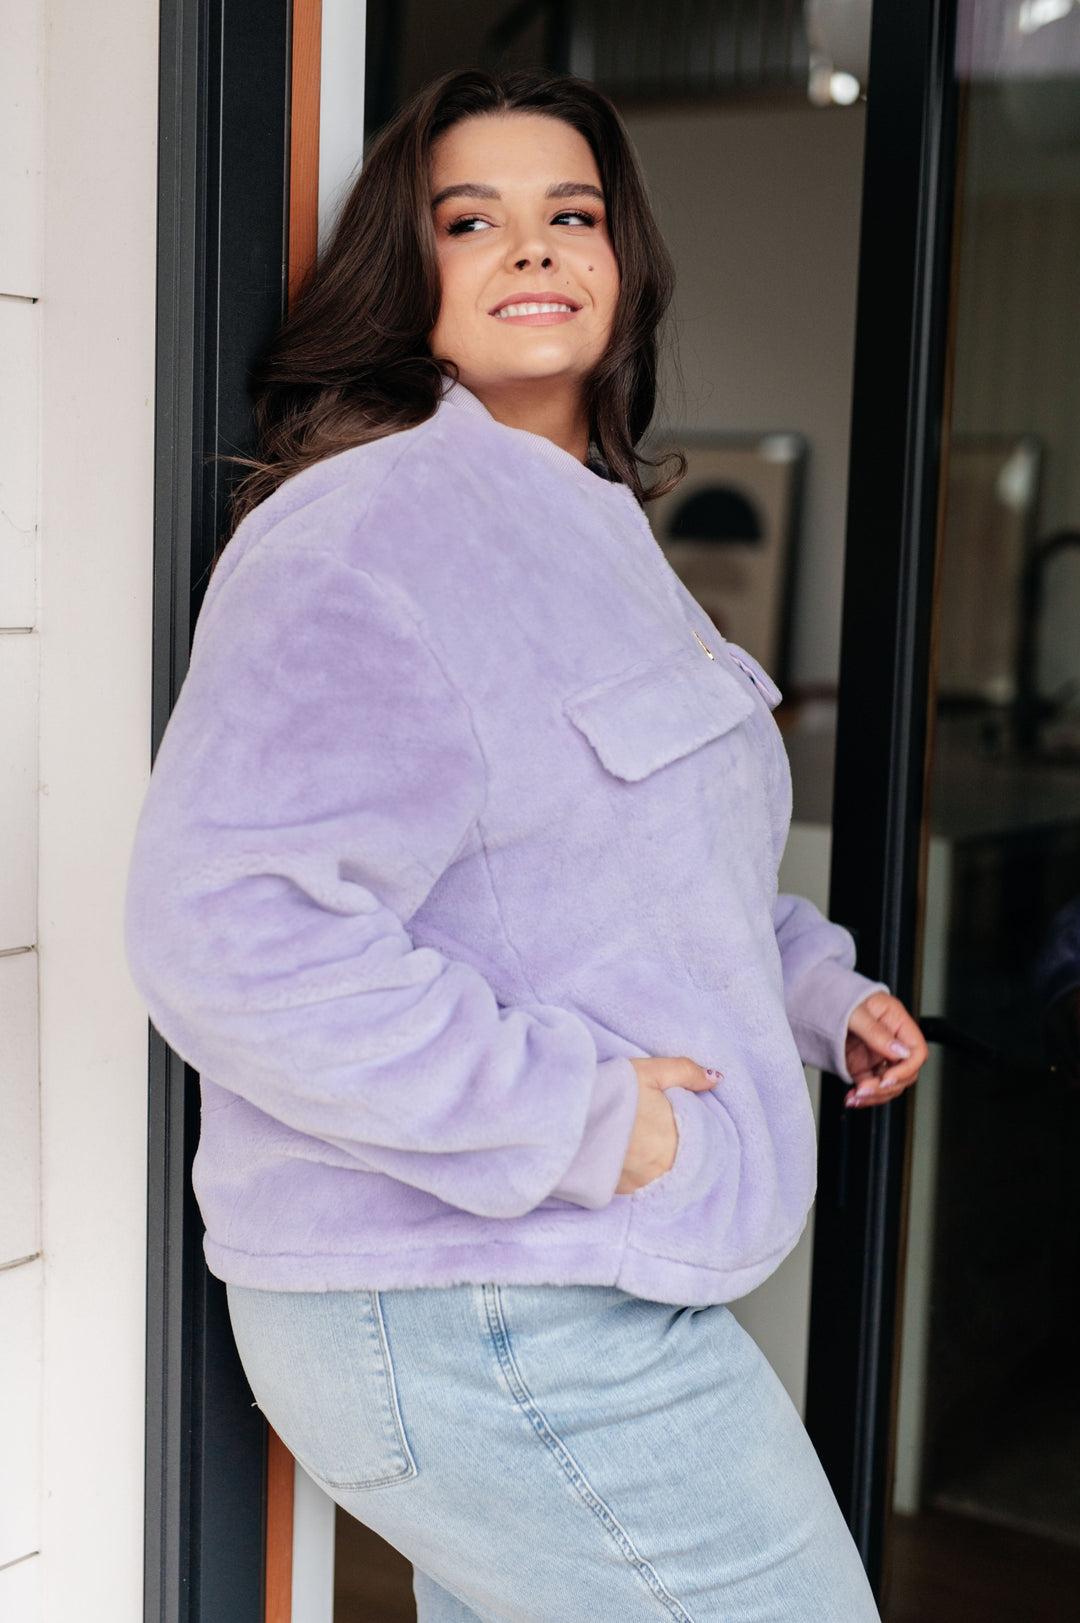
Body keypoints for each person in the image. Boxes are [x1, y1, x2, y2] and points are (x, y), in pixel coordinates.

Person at [125, 68, 927, 1622]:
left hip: (551, 1286)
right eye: (470, 221)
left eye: (571, 213)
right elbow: (224, 931)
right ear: (406, 272)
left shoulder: (591, 524)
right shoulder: (369, 526)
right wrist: (585, 1119)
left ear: (622, 258)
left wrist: (819, 996)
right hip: (481, 1301)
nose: (533, 247)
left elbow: (637, 874)